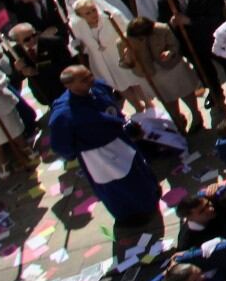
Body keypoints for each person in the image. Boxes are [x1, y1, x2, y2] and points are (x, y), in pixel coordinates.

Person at [46, 66, 160, 227]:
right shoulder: (63, 114)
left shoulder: (99, 87)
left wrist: (126, 124)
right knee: (119, 186)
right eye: (84, 80)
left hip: (121, 141)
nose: (90, 80)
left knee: (139, 171)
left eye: (89, 75)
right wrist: (77, 151)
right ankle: (132, 215)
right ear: (69, 86)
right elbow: (60, 145)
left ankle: (151, 195)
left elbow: (113, 109)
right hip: (98, 155)